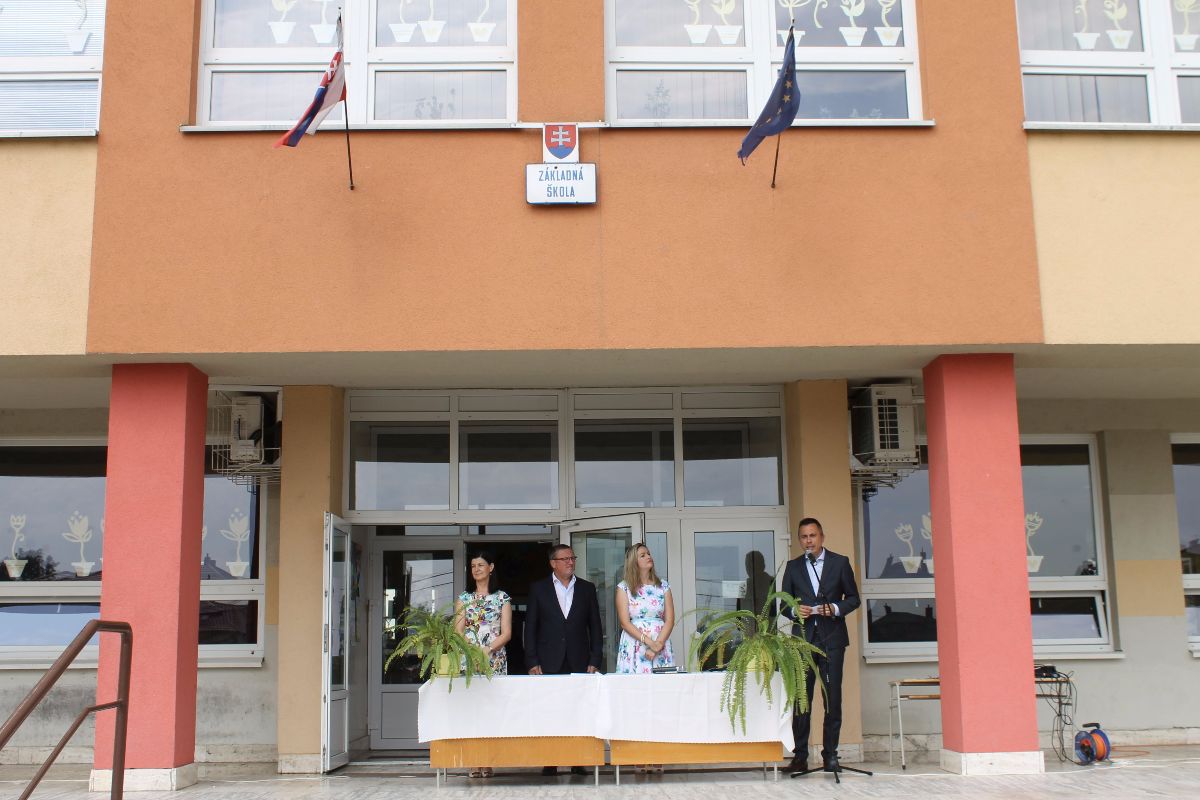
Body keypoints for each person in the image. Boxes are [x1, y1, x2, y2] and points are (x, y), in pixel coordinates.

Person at [781, 517, 860, 774]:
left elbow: (854, 598)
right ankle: (800, 756)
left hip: (832, 639)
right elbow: (782, 604)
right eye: (804, 537)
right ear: (799, 540)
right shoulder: (793, 567)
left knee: (832, 698)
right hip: (804, 640)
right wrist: (795, 611)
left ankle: (830, 755)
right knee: (802, 699)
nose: (809, 541)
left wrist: (834, 608)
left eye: (812, 536)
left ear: (822, 537)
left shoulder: (840, 563)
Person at [525, 543, 603, 776]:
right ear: (553, 563)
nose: (571, 562)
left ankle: (577, 760)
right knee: (550, 711)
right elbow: (530, 628)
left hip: (579, 660)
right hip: (548, 661)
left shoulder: (587, 588)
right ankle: (551, 760)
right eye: (565, 559)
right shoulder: (538, 589)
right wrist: (532, 660)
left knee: (578, 710)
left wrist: (595, 658)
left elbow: (595, 627)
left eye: (572, 558)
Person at [455, 550, 512, 779]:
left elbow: (507, 632)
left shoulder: (502, 598)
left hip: (494, 659)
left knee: (491, 709)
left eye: (480, 565)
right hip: (468, 660)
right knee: (471, 709)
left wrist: (487, 649)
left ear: (491, 567)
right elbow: (458, 631)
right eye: (473, 566)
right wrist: (473, 650)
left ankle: (488, 760)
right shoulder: (464, 598)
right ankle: (472, 760)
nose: (476, 569)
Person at [615, 543, 675, 674]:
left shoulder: (663, 586)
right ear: (634, 562)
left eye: (648, 553)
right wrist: (650, 643)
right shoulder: (624, 587)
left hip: (659, 642)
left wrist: (657, 646)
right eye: (643, 555)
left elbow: (670, 620)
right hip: (634, 643)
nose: (648, 556)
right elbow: (624, 622)